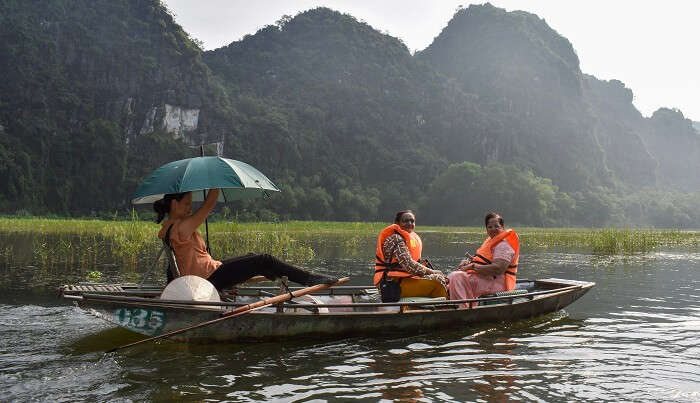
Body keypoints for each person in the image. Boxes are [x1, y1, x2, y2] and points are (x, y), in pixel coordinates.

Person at [153, 189, 337, 290]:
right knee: (264, 259)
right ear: (174, 204)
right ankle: (309, 279)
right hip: (208, 278)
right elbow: (208, 206)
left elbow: (175, 268)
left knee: (252, 257)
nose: (190, 208)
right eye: (186, 203)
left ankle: (272, 272)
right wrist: (216, 184)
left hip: (207, 273)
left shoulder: (168, 229)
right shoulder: (181, 227)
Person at [374, 210, 448, 301]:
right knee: (438, 280)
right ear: (397, 223)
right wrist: (432, 272)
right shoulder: (396, 238)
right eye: (405, 221)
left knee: (442, 278)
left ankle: (436, 306)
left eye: (412, 221)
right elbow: (408, 264)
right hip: (394, 285)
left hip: (405, 280)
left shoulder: (407, 237)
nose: (409, 223)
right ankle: (443, 309)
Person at [448, 212, 520, 305]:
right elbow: (483, 261)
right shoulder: (491, 242)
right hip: (487, 279)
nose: (493, 229)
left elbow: (498, 269)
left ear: (503, 228)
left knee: (456, 277)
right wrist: (468, 263)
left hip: (499, 283)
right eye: (490, 227)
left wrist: (472, 266)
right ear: (486, 229)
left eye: (496, 226)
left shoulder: (504, 246)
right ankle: (461, 305)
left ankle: (463, 308)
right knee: (451, 277)